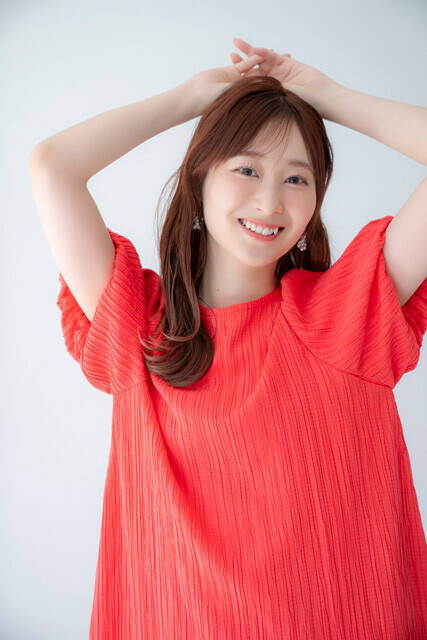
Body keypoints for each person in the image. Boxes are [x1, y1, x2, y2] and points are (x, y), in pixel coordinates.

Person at [29, 37, 427, 639]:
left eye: (297, 178)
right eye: (246, 168)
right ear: (200, 176)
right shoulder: (142, 331)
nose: (271, 200)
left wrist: (328, 96)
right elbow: (51, 166)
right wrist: (188, 99)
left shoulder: (346, 317)